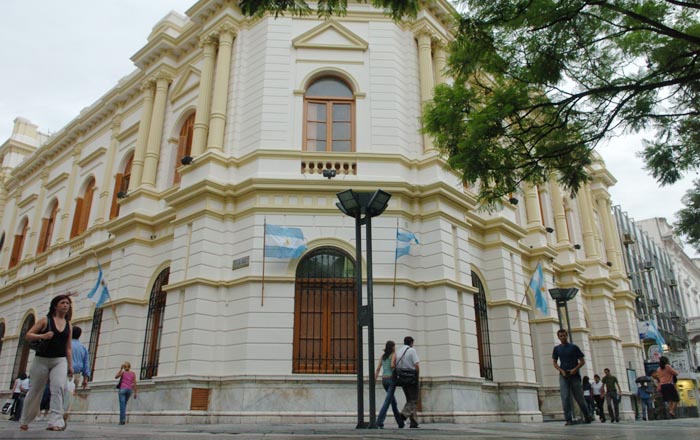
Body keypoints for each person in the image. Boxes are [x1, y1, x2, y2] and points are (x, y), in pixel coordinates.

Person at [19, 294, 73, 432]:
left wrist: (70, 365)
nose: (66, 305)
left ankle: (55, 422)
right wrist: (42, 335)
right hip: (41, 359)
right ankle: (25, 420)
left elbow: (68, 347)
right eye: (63, 302)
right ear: (55, 305)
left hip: (59, 360)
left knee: (58, 388)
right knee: (36, 390)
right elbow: (28, 335)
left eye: (67, 303)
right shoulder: (45, 320)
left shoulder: (69, 325)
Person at [551, 329, 593, 425]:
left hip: (574, 375)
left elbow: (582, 361)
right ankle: (568, 419)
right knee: (565, 397)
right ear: (558, 337)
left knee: (579, 397)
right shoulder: (557, 349)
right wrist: (561, 370)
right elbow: (554, 362)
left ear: (567, 336)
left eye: (564, 335)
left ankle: (587, 416)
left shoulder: (574, 347)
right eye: (561, 336)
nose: (563, 337)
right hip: (563, 375)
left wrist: (575, 369)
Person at [373, 340, 404, 429]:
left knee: (393, 402)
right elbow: (392, 365)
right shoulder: (393, 354)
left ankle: (400, 423)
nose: (395, 348)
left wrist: (375, 379)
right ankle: (379, 421)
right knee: (387, 401)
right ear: (392, 347)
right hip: (391, 379)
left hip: (384, 380)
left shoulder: (383, 356)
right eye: (394, 346)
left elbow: (378, 368)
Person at [396, 336, 420, 429]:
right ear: (411, 343)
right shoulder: (412, 350)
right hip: (411, 378)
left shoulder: (399, 352)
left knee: (409, 400)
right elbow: (416, 365)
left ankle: (414, 422)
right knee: (414, 399)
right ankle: (403, 415)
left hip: (402, 378)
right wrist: (417, 376)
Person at [71, 326, 91, 390]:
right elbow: (86, 363)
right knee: (71, 395)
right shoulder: (83, 348)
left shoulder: (67, 344)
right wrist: (85, 379)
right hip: (76, 375)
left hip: (65, 372)